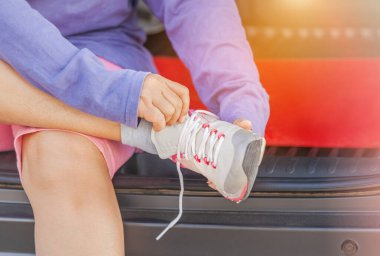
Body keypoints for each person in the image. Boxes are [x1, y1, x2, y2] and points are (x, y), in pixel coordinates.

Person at [0, 1, 269, 255]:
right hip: (54, 75)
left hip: (95, 52)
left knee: (60, 158)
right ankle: (151, 132)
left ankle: (140, 128)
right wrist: (112, 93)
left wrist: (240, 97)